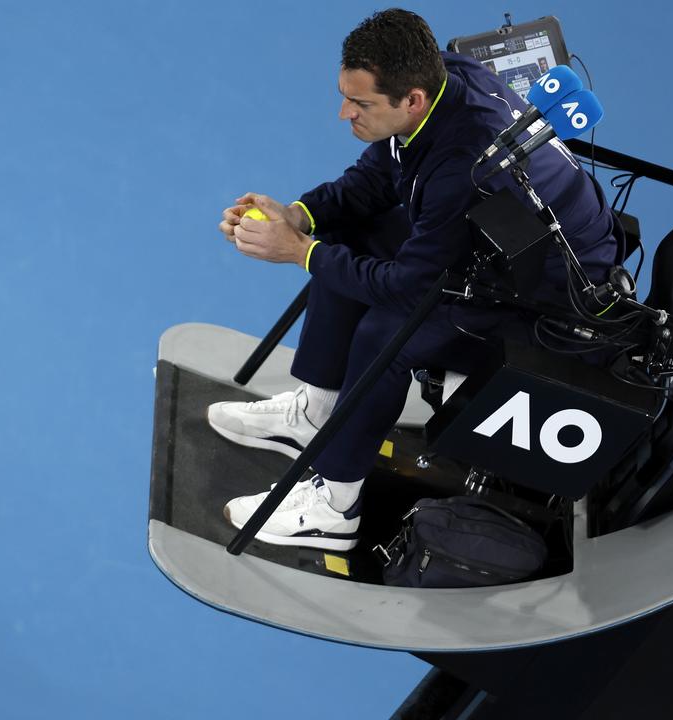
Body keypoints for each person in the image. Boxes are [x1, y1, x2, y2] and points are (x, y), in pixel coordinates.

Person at [209, 9, 620, 551]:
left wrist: (300, 253)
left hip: (550, 305)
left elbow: (407, 288)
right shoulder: (443, 75)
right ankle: (318, 415)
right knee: (348, 237)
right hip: (500, 241)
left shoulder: (462, 162)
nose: (343, 113)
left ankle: (335, 506)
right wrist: (300, 217)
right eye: (345, 95)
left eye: (360, 104)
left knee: (389, 331)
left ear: (412, 100)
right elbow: (377, 176)